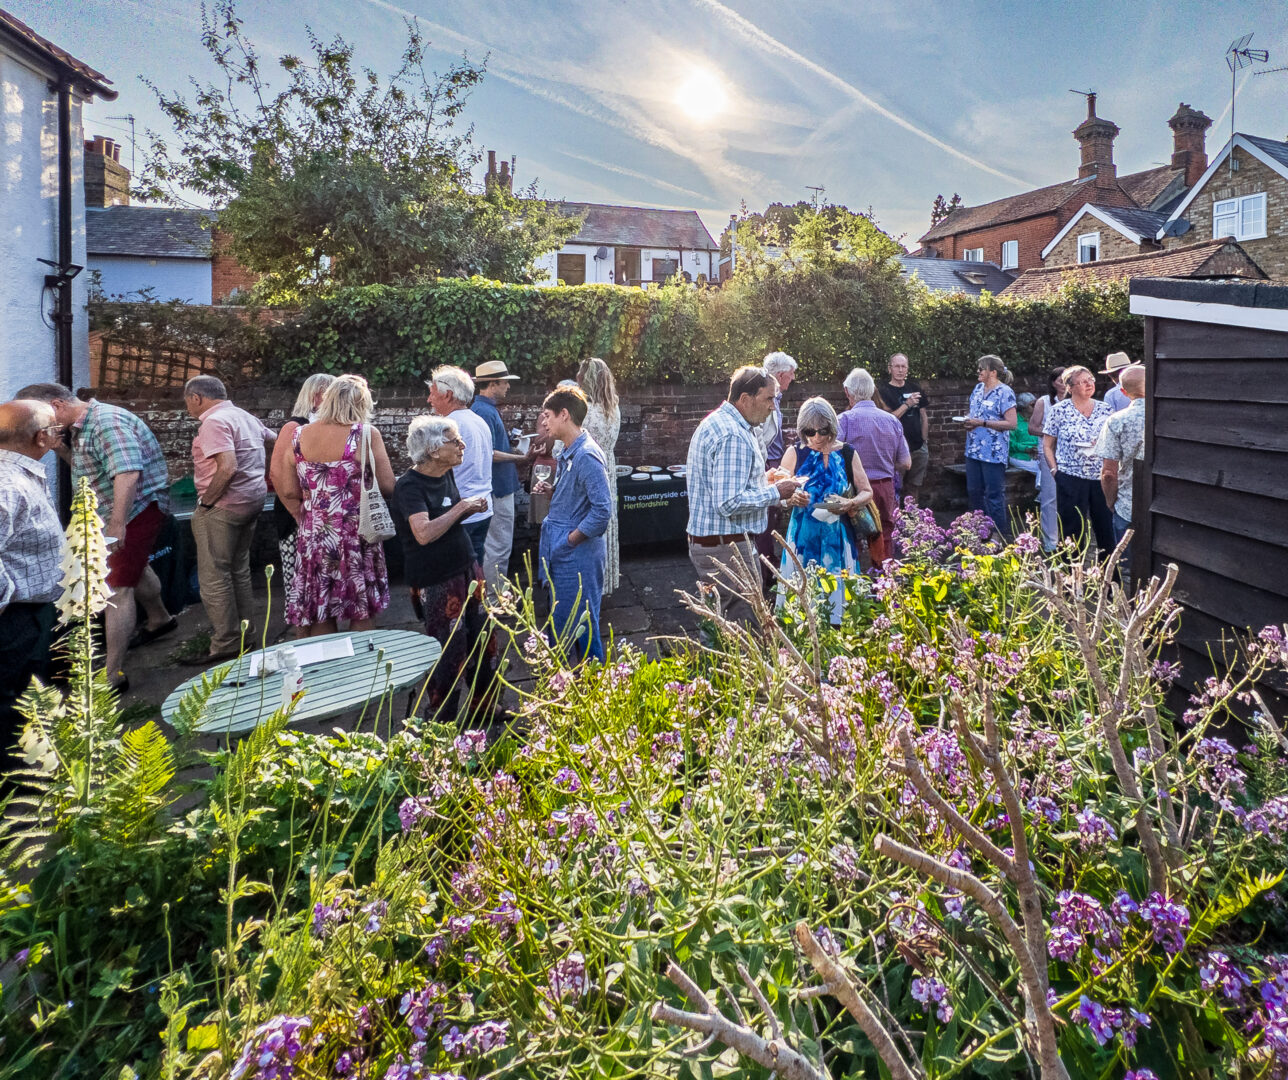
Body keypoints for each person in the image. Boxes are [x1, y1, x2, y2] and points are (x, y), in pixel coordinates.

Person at [15, 383, 174, 691]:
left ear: (58, 405)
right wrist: (61, 449)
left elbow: (127, 472)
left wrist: (117, 524)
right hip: (110, 510)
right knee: (134, 568)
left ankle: (112, 674)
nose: (37, 423)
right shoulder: (80, 427)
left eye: (39, 414)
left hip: (134, 510)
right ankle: (161, 619)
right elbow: (90, 471)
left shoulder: (106, 422)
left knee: (116, 588)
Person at [393, 414, 498, 721]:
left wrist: (464, 508)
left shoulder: (445, 474)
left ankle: (485, 708)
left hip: (467, 570)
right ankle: (441, 721)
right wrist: (462, 507)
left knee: (484, 641)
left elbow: (446, 520)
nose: (462, 445)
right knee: (449, 654)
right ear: (434, 450)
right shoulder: (410, 487)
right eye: (455, 441)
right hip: (437, 581)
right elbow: (423, 533)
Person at [686, 366, 802, 623]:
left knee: (718, 628)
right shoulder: (733, 435)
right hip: (727, 548)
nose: (773, 406)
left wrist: (765, 482)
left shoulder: (720, 423)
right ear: (745, 399)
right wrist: (776, 492)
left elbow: (728, 487)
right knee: (742, 631)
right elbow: (728, 502)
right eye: (769, 398)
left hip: (714, 543)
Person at [280, 374, 394, 635]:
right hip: (356, 532)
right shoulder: (365, 434)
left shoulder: (298, 436)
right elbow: (388, 486)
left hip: (315, 533)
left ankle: (329, 670)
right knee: (361, 607)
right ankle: (364, 672)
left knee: (322, 608)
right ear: (362, 405)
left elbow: (287, 489)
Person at [183, 376, 277, 663]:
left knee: (214, 577)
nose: (187, 407)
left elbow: (227, 466)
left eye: (187, 401)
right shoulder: (242, 415)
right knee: (238, 570)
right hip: (253, 501)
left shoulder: (214, 422)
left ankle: (226, 643)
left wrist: (207, 503)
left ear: (196, 398)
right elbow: (276, 439)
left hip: (224, 506)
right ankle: (246, 635)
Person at [0, 401, 67, 771]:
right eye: (56, 430)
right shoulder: (8, 484)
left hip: (29, 610)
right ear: (41, 437)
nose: (58, 436)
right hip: (15, 615)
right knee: (14, 698)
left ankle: (33, 766)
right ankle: (18, 781)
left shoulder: (17, 474)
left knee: (31, 693)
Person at [530, 386, 613, 663]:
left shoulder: (587, 455)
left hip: (576, 556)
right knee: (563, 624)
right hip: (565, 550)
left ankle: (595, 693)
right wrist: (555, 494)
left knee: (581, 627)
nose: (544, 422)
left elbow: (602, 511)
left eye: (547, 416)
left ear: (564, 414)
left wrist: (570, 541)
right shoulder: (569, 451)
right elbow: (582, 499)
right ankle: (569, 689)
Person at [777, 397, 874, 623]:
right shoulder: (795, 453)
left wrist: (850, 503)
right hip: (802, 538)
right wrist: (791, 499)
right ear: (803, 430)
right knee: (801, 606)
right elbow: (776, 494)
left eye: (823, 431)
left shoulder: (848, 453)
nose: (817, 437)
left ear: (832, 427)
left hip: (838, 538)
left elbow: (867, 491)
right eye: (810, 431)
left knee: (841, 603)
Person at [269, 373, 335, 613]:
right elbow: (276, 473)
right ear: (317, 396)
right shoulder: (294, 426)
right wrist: (296, 510)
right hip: (297, 516)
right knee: (300, 587)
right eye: (333, 394)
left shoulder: (326, 427)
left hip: (321, 519)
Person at [469, 361, 532, 596]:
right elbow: (490, 453)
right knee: (498, 544)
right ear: (492, 384)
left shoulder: (482, 409)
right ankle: (495, 599)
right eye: (504, 381)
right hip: (498, 487)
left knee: (494, 543)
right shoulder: (484, 411)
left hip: (497, 485)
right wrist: (521, 458)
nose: (507, 386)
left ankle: (492, 593)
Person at [838, 367, 910, 567]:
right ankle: (884, 582)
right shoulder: (892, 421)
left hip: (853, 489)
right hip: (884, 486)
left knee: (850, 533)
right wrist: (885, 463)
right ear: (872, 391)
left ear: (847, 392)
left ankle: (853, 581)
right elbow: (906, 462)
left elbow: (833, 458)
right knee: (884, 533)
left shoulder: (844, 421)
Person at [1041, 364, 1115, 558]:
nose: (1089, 384)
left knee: (1106, 530)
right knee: (1072, 532)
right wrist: (1055, 471)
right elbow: (1047, 445)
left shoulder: (1106, 410)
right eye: (1082, 382)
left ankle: (1109, 581)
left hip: (1101, 477)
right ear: (1070, 388)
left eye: (1090, 379)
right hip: (1070, 477)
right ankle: (1070, 581)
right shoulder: (1059, 411)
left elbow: (1114, 443)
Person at [428, 367, 494, 564]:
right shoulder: (479, 420)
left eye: (432, 394)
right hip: (482, 506)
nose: (429, 400)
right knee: (473, 573)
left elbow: (433, 471)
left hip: (457, 511)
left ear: (448, 395)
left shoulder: (447, 426)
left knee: (453, 579)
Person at [752, 351, 798, 592]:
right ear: (780, 375)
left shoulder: (774, 399)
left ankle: (768, 566)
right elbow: (761, 436)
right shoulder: (767, 399)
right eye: (791, 375)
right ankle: (766, 571)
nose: (793, 379)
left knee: (770, 519)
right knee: (766, 520)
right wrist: (770, 468)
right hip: (768, 464)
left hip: (772, 461)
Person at [577, 357, 621, 595]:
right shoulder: (613, 408)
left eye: (580, 375)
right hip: (608, 468)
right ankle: (605, 580)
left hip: (587, 470)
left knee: (587, 520)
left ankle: (587, 584)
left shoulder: (583, 412)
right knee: (606, 521)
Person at [962, 355, 1018, 539]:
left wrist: (983, 423)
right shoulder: (978, 389)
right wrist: (969, 421)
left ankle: (998, 534)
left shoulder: (1004, 392)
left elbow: (1011, 423)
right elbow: (974, 413)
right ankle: (979, 532)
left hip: (993, 452)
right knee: (974, 492)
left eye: (982, 369)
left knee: (994, 494)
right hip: (973, 450)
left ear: (993, 372)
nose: (978, 372)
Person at [1094, 364, 1146, 546]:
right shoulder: (1169, 416)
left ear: (1123, 392)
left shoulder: (1116, 421)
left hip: (1127, 505)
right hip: (1165, 505)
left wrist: (1110, 501)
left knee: (1129, 567)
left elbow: (1108, 473)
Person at [875, 352, 930, 505]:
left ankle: (913, 522)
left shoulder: (915, 388)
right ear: (889, 369)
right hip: (896, 449)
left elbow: (923, 415)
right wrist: (907, 404)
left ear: (907, 369)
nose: (900, 370)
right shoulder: (883, 391)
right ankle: (895, 522)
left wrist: (924, 440)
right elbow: (889, 419)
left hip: (918, 447)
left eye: (903, 366)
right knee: (895, 487)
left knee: (914, 487)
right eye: (897, 366)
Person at [1028, 367, 1068, 551]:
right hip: (1049, 451)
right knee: (1050, 497)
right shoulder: (1044, 402)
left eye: (1067, 380)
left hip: (1070, 454)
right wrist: (1052, 434)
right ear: (1053, 383)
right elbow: (1032, 428)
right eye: (1060, 381)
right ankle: (1050, 542)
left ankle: (1069, 537)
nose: (1064, 384)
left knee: (1070, 496)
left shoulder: (1076, 401)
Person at [1009, 392, 1041, 489]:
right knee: (1043, 470)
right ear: (1023, 407)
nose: (1036, 407)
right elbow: (1010, 443)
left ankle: (1043, 495)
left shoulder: (1037, 419)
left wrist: (1037, 450)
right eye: (1032, 405)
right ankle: (1043, 495)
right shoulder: (1014, 421)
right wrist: (1027, 449)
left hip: (1037, 454)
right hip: (1019, 455)